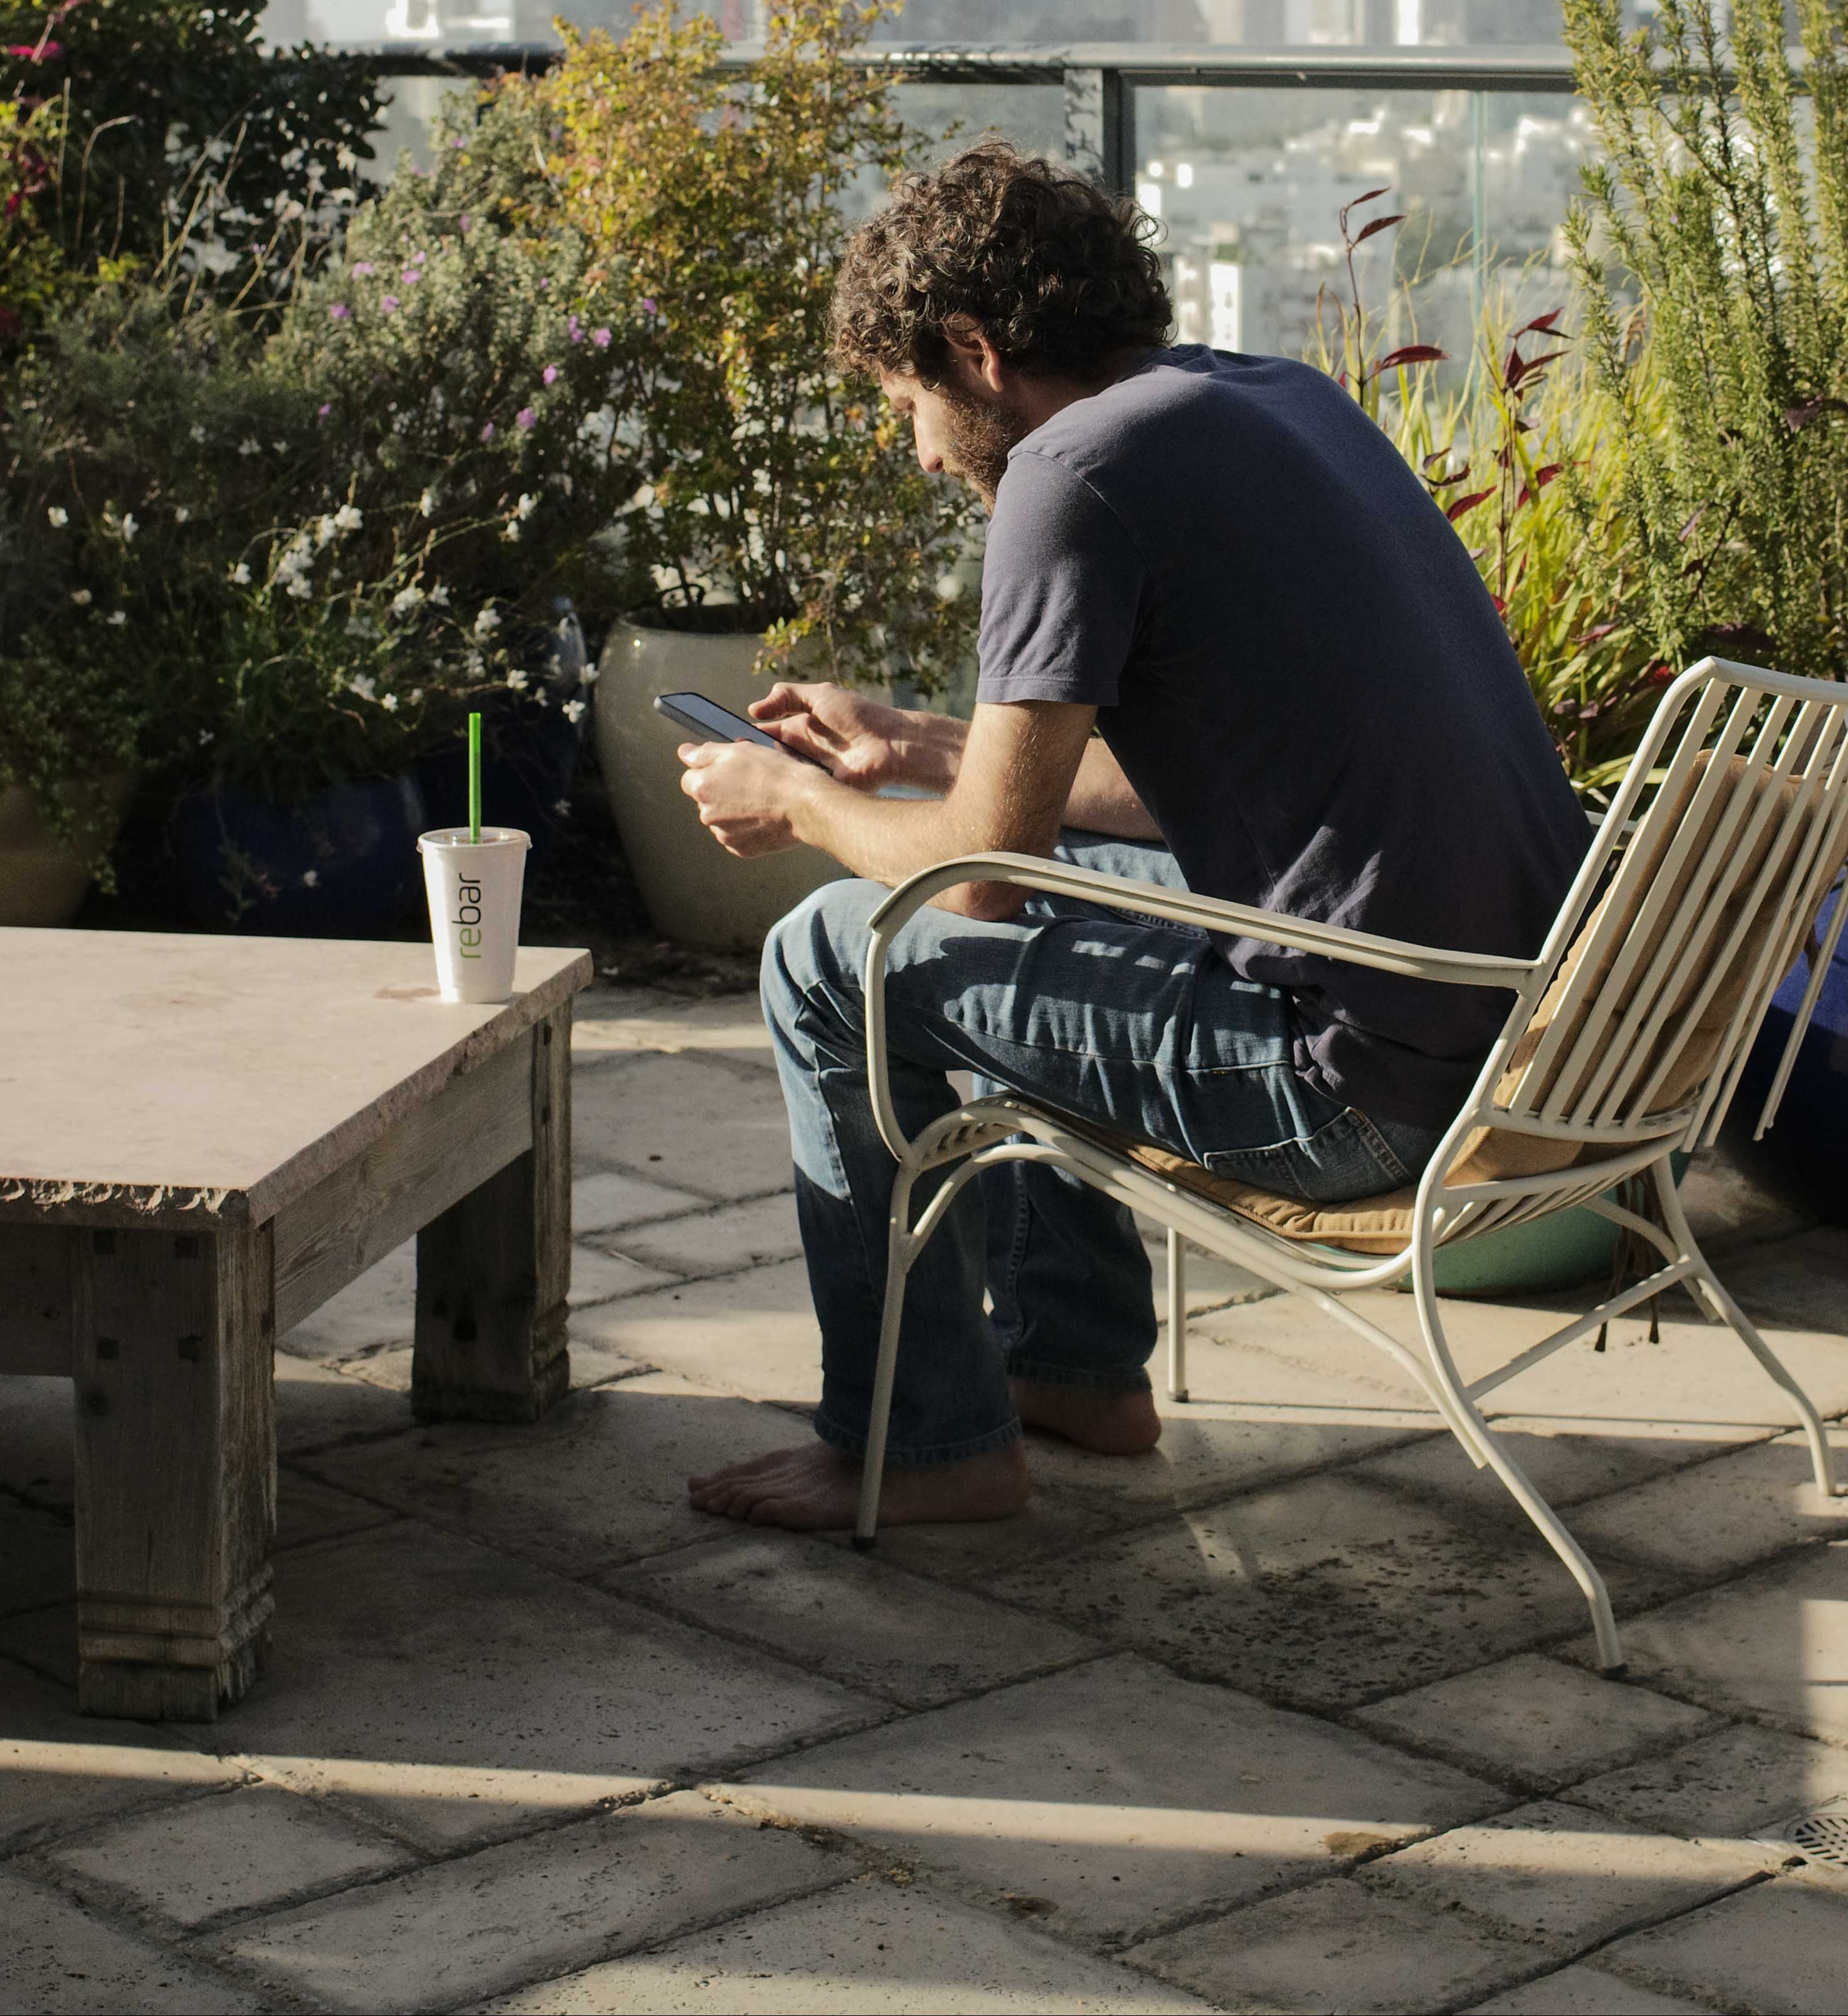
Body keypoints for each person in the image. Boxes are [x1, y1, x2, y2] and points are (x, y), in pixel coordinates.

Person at [675, 139, 1591, 1529]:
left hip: (1361, 1091)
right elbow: (1218, 780)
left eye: (907, 401)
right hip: (1496, 1024)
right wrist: (920, 745)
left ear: (974, 348)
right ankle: (1073, 1370)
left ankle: (921, 1443)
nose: (921, 450)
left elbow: (975, 878)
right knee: (1041, 901)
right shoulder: (1266, 396)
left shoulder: (1067, 472)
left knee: (829, 951)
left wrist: (793, 799)